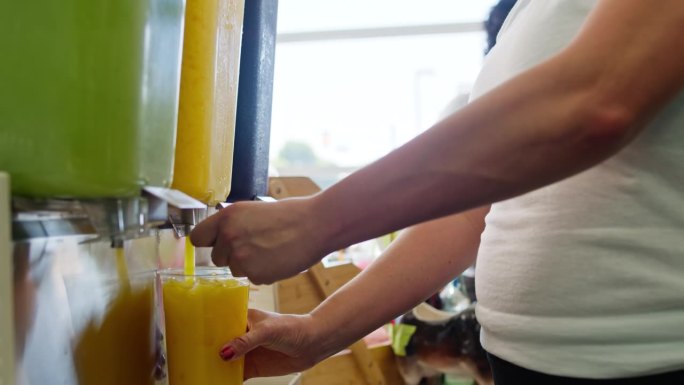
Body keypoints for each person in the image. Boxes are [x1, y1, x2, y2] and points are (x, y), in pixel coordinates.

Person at [191, 0, 684, 383]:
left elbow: (597, 102)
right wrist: (321, 332)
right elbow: (475, 211)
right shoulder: (526, 15)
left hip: (653, 360)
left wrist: (317, 221)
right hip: (526, 363)